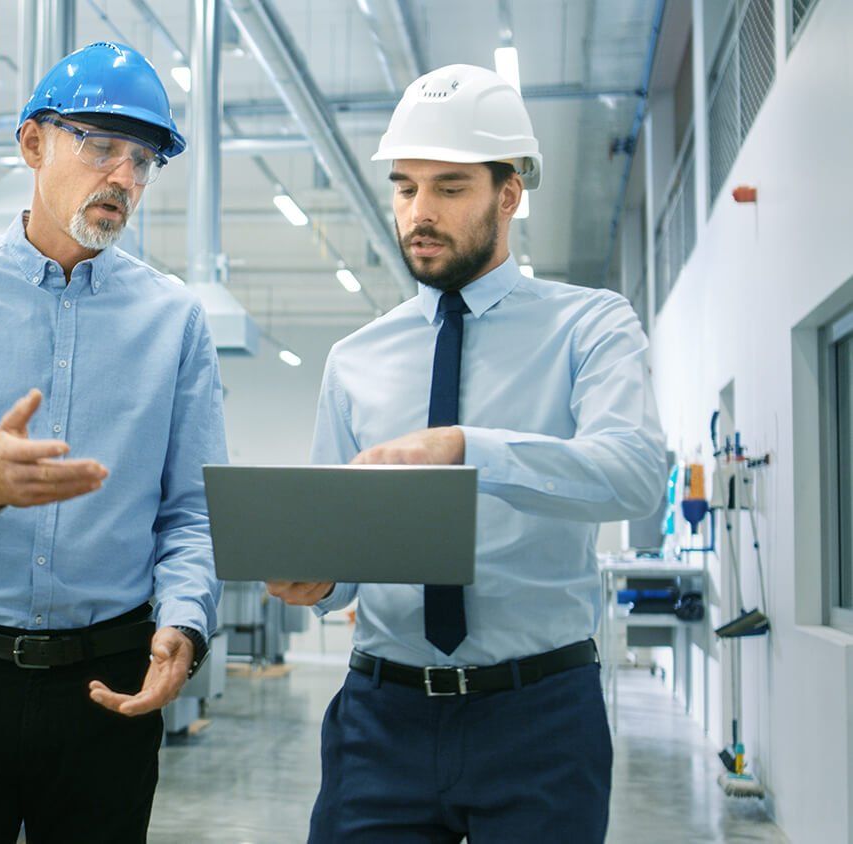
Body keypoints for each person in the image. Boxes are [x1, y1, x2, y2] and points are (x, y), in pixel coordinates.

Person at [268, 64, 667, 843]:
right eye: (405, 186)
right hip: (380, 718)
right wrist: (315, 581)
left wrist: (466, 449)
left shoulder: (590, 326)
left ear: (508, 193)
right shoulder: (357, 359)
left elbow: (635, 473)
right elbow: (340, 550)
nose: (419, 212)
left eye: (449, 187)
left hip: (540, 719)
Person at [0, 41, 225, 844]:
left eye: (143, 161)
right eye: (101, 147)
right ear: (34, 144)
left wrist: (186, 622)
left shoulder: (175, 321)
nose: (125, 179)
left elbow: (193, 512)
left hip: (110, 684)